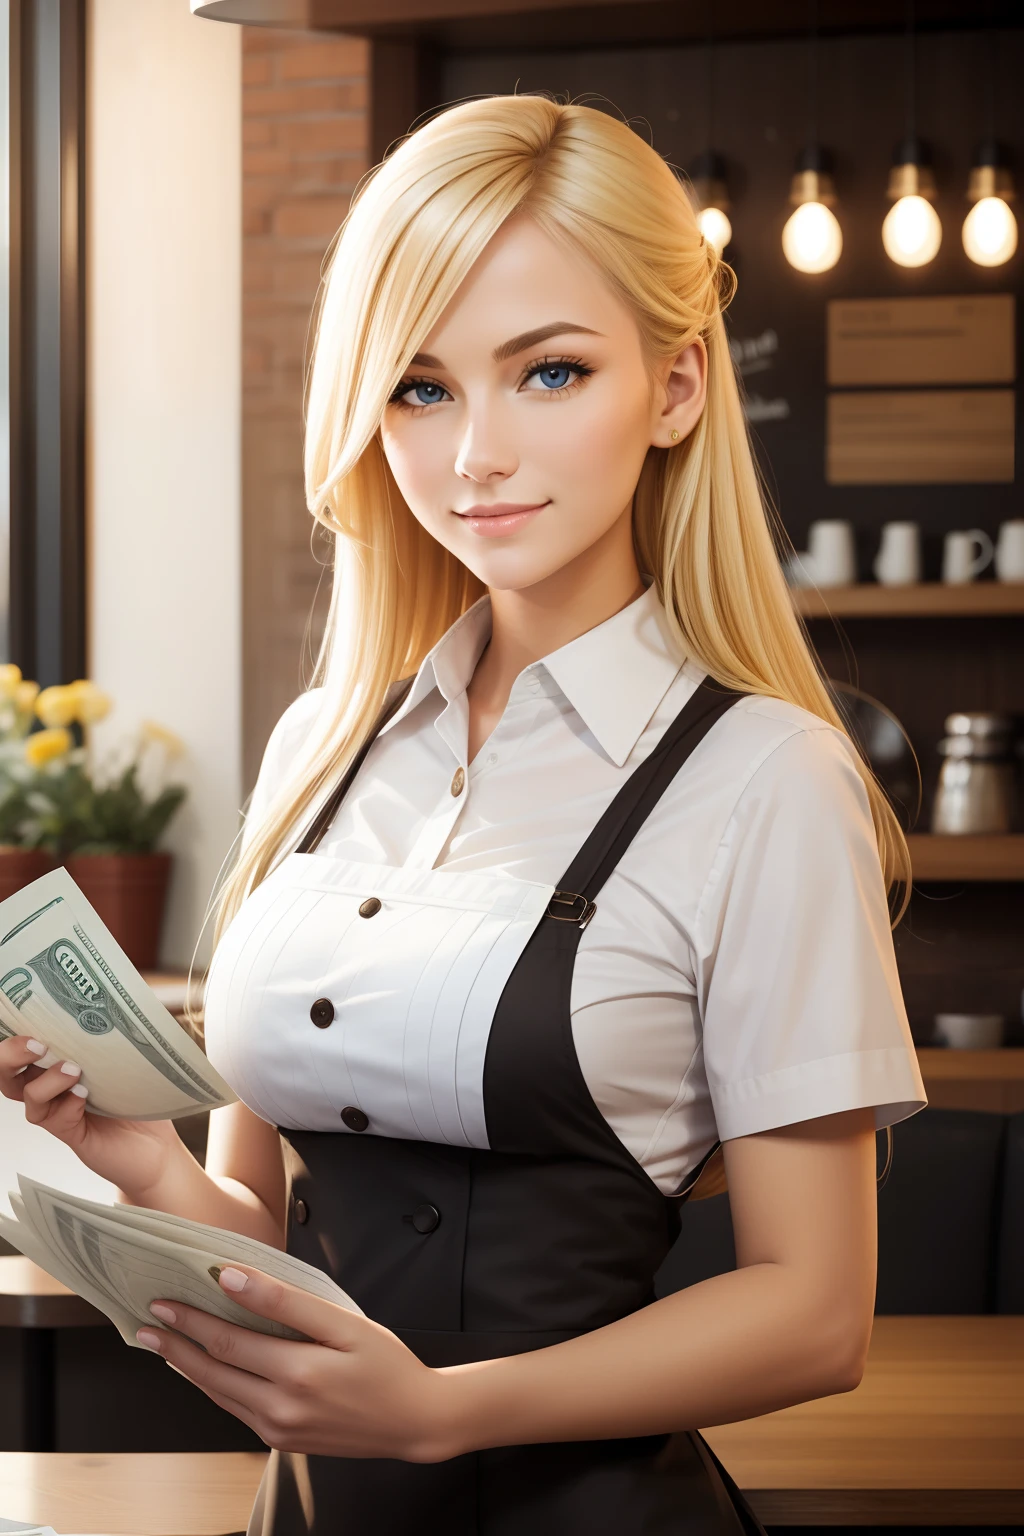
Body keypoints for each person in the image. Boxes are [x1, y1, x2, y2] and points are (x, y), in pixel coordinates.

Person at [0, 94, 925, 1536]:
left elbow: (815, 1316)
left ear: (677, 388)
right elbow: (263, 1229)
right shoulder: (326, 745)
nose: (475, 453)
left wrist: (442, 1412)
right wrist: (137, 1163)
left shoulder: (769, 780)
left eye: (548, 373)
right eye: (420, 388)